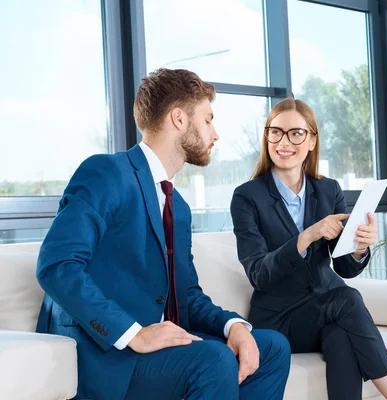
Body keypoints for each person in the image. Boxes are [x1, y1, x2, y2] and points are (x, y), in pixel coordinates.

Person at [35, 68, 290, 400]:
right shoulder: (107, 173)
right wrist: (134, 334)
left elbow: (186, 295)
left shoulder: (178, 207)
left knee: (271, 347)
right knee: (212, 360)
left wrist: (234, 326)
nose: (215, 134)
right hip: (109, 354)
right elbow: (57, 264)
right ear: (179, 120)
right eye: (208, 120)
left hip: (165, 351)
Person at [230, 98, 387, 400]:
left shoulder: (329, 190)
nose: (284, 141)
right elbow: (258, 274)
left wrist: (358, 248)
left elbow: (344, 268)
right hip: (278, 321)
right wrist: (306, 237)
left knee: (342, 334)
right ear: (267, 137)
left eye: (296, 133)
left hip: (324, 312)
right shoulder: (247, 197)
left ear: (312, 140)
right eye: (275, 132)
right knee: (347, 298)